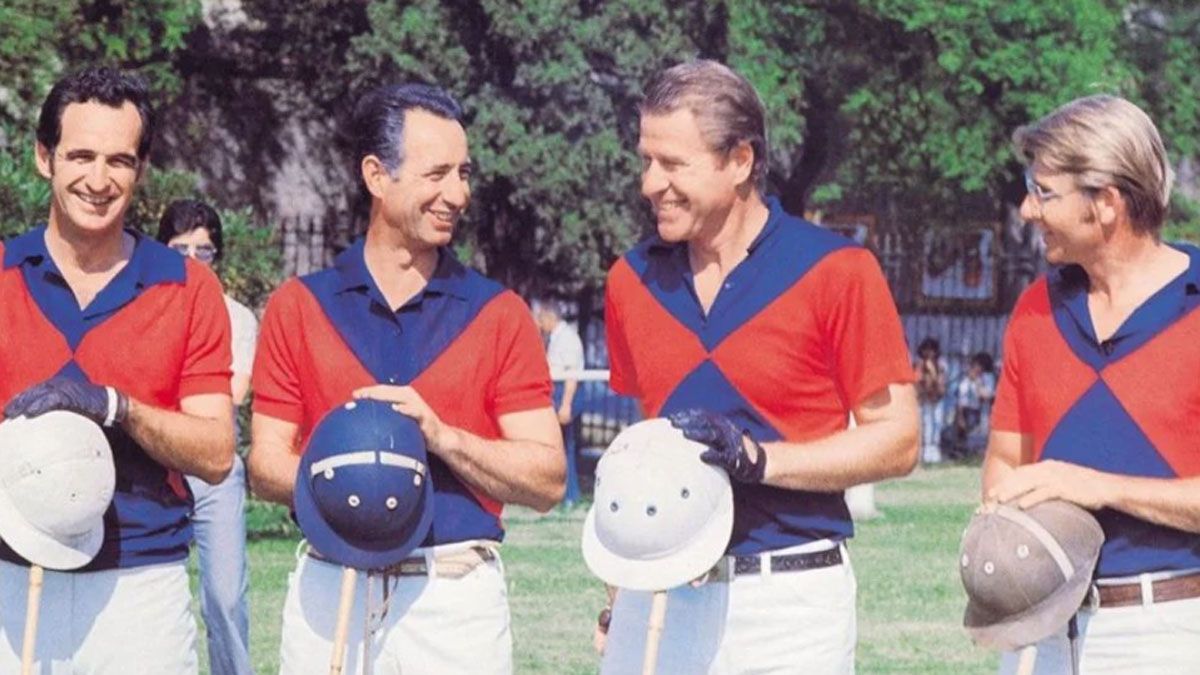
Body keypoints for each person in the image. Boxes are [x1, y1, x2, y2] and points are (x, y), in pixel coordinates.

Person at [599, 60, 919, 673]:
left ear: (740, 160)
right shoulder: (629, 280)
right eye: (646, 161)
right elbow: (649, 447)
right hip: (658, 597)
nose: (650, 183)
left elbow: (898, 440)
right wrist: (620, 587)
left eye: (673, 164)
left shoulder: (838, 270)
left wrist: (761, 460)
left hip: (789, 605)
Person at [248, 82, 565, 674]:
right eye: (436, 174)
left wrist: (444, 439)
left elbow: (547, 480)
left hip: (452, 598)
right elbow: (265, 463)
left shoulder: (498, 314)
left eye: (463, 174)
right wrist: (354, 482)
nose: (457, 194)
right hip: (331, 588)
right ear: (376, 175)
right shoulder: (299, 305)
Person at [0, 66, 234, 672]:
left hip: (140, 591)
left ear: (141, 169)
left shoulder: (188, 286)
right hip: (12, 579)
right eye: (81, 156)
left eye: (120, 161)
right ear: (45, 158)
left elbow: (215, 453)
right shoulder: (2, 273)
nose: (99, 181)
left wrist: (117, 407)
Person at [983, 94, 1200, 673]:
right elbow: (1004, 463)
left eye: (1044, 193)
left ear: (1106, 203)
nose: (1027, 209)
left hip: (1170, 631)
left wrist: (1097, 487)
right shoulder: (1034, 309)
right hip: (1039, 632)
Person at [157, 199, 255, 675]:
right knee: (151, 591)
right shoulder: (145, 311)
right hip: (156, 460)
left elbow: (232, 392)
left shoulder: (236, 317)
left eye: (204, 250)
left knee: (225, 597)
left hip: (213, 468)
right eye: (180, 249)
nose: (193, 260)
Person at [533, 298, 585, 508]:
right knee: (558, 445)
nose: (539, 323)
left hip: (565, 395)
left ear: (549, 317)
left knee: (566, 445)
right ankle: (561, 493)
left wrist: (566, 405)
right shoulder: (554, 338)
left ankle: (570, 496)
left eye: (540, 318)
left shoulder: (568, 339)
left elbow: (572, 374)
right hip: (556, 393)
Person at [943, 351, 995, 460]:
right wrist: (960, 415)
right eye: (974, 365)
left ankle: (974, 453)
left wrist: (976, 381)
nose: (975, 368)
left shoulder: (987, 378)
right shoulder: (964, 378)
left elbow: (985, 395)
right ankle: (958, 453)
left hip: (978, 411)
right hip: (962, 410)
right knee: (956, 432)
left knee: (975, 434)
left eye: (979, 366)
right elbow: (959, 396)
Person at [914, 337, 948, 463]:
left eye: (931, 350)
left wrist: (933, 371)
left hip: (937, 398)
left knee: (937, 424)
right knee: (927, 424)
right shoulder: (919, 365)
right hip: (925, 399)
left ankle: (935, 452)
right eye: (926, 350)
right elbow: (917, 381)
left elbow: (941, 383)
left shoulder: (941, 365)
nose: (929, 353)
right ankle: (926, 452)